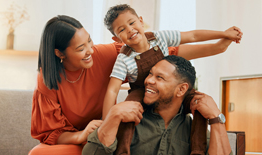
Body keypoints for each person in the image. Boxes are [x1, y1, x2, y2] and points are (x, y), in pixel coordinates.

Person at [29, 15, 236, 155]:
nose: (90, 50)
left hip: (108, 127)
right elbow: (50, 133)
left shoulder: (109, 54)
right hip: (84, 137)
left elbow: (163, 55)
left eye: (90, 41)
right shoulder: (47, 80)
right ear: (59, 53)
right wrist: (84, 134)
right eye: (81, 48)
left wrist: (218, 47)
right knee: (39, 153)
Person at [101, 4, 242, 155]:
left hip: (169, 85)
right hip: (141, 91)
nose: (129, 29)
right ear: (116, 38)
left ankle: (198, 150)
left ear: (141, 21)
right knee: (127, 111)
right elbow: (112, 90)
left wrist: (223, 34)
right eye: (121, 29)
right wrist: (107, 121)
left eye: (131, 22)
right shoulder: (124, 58)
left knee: (200, 103)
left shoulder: (159, 37)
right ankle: (122, 151)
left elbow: (192, 36)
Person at [82, 55, 232, 155]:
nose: (149, 81)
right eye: (150, 74)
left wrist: (215, 117)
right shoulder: (127, 120)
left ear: (181, 89)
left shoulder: (194, 131)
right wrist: (113, 115)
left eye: (159, 77)